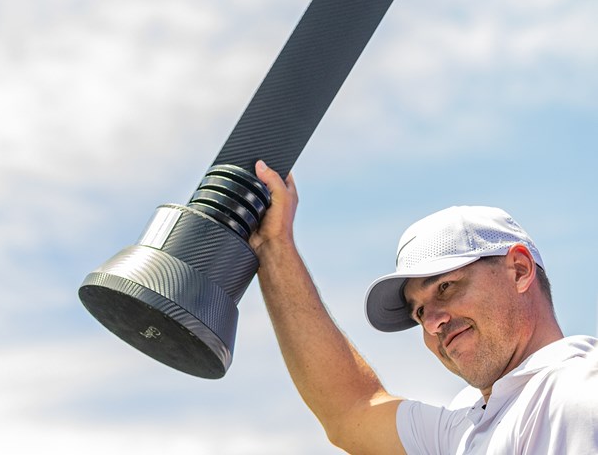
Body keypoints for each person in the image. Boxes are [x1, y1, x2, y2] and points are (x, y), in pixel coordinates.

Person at [250, 160, 598, 454]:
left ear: (519, 270)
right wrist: (273, 246)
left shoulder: (578, 390)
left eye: (446, 287)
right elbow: (350, 410)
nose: (431, 323)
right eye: (418, 312)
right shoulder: (462, 430)